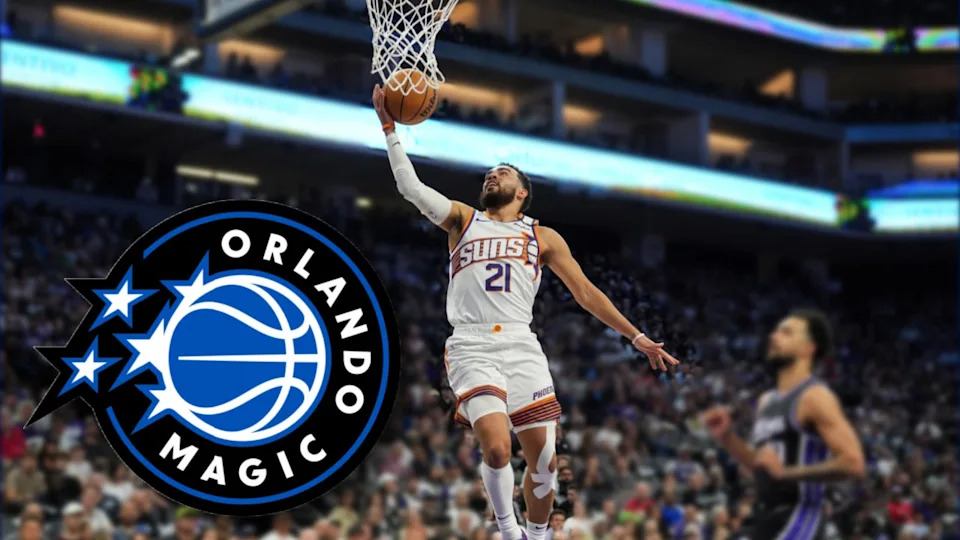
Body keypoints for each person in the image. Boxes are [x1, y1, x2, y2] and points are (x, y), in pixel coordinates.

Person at [372, 85, 679, 540]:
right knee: (496, 449)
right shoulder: (462, 218)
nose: (491, 178)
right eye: (489, 175)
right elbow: (410, 187)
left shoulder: (543, 236)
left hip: (521, 343)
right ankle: (507, 530)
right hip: (472, 343)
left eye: (502, 174)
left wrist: (636, 336)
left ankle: (538, 535)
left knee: (545, 461)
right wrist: (390, 128)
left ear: (523, 192)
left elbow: (586, 292)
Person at [701, 309, 866, 540]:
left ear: (809, 348)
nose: (774, 336)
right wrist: (727, 438)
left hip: (802, 516)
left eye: (787, 333)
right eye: (777, 331)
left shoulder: (815, 396)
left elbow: (854, 463)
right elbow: (763, 469)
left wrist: (787, 473)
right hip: (767, 516)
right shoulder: (766, 401)